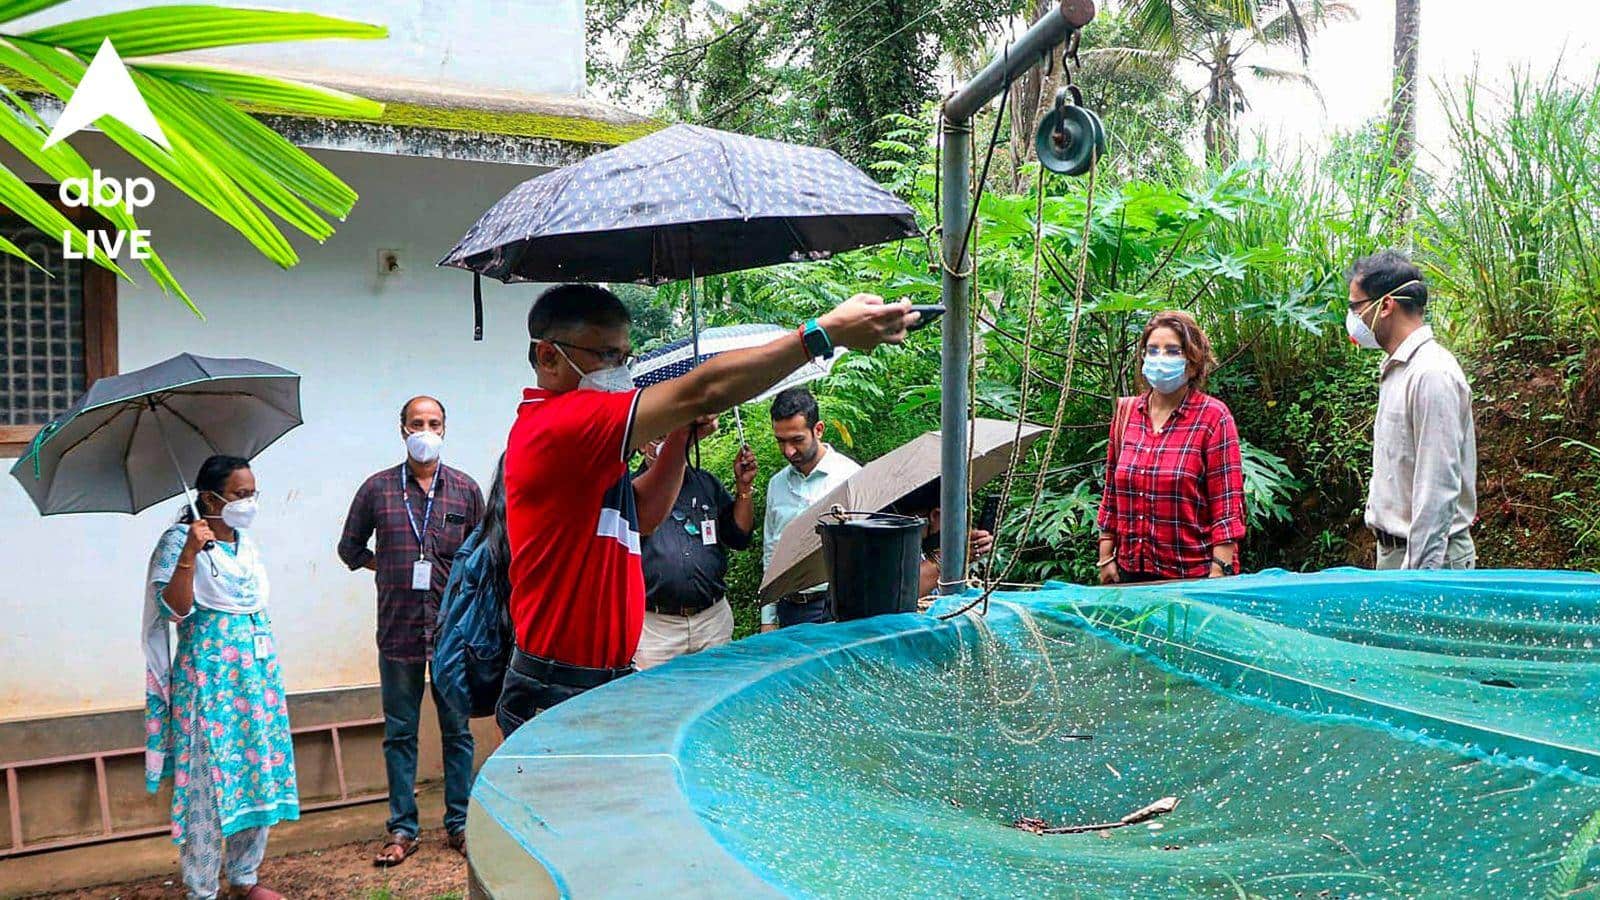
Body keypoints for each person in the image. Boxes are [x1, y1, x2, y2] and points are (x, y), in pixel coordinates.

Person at [498, 284, 913, 736]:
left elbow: (645, 514)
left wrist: (680, 437)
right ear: (548, 357)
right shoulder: (561, 423)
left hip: (600, 676)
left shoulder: (583, 448)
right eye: (606, 356)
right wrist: (823, 333)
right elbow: (705, 387)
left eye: (625, 357)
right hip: (560, 685)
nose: (621, 372)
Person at [337, 397, 484, 866]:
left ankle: (459, 823)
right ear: (402, 430)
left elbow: (483, 556)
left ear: (445, 429)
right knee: (400, 733)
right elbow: (349, 548)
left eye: (434, 423)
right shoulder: (376, 490)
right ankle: (402, 828)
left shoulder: (465, 491)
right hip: (398, 631)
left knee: (457, 731)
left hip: (451, 636)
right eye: (417, 423)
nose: (425, 430)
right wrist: (388, 568)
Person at [142, 455, 296, 900]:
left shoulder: (245, 545)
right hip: (210, 685)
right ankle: (202, 889)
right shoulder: (177, 541)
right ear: (210, 498)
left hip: (257, 682)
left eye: (253, 494)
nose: (249, 503)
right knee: (208, 787)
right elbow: (174, 610)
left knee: (255, 773)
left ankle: (245, 877)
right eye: (239, 494)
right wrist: (190, 552)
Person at [1346, 251, 1478, 569]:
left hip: (1429, 558)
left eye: (1356, 307)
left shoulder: (1431, 372)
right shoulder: (1399, 369)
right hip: (1398, 554)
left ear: (1386, 305)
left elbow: (1437, 487)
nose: (1353, 318)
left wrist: (1419, 582)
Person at [1096, 310, 1246, 584]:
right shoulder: (1127, 413)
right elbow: (1111, 492)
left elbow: (1227, 508)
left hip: (1192, 578)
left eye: (1172, 351)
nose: (1160, 359)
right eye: (1152, 350)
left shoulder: (1213, 418)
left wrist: (1218, 574)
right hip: (1128, 575)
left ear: (1192, 360)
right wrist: (1106, 557)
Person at [631, 416, 758, 669]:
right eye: (658, 438)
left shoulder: (705, 483)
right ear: (642, 445)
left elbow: (739, 536)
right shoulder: (631, 491)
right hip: (656, 628)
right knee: (659, 701)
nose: (666, 445)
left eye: (672, 436)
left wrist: (744, 487)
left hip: (711, 620)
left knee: (715, 698)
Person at [760, 387, 861, 630]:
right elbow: (771, 552)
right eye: (781, 441)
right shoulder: (777, 485)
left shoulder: (850, 477)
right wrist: (768, 618)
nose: (788, 451)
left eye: (797, 440)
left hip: (836, 606)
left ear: (818, 430)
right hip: (789, 609)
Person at [888, 481, 996, 597]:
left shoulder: (914, 543)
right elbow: (899, 594)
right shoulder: (889, 547)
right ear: (936, 515)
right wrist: (949, 557)